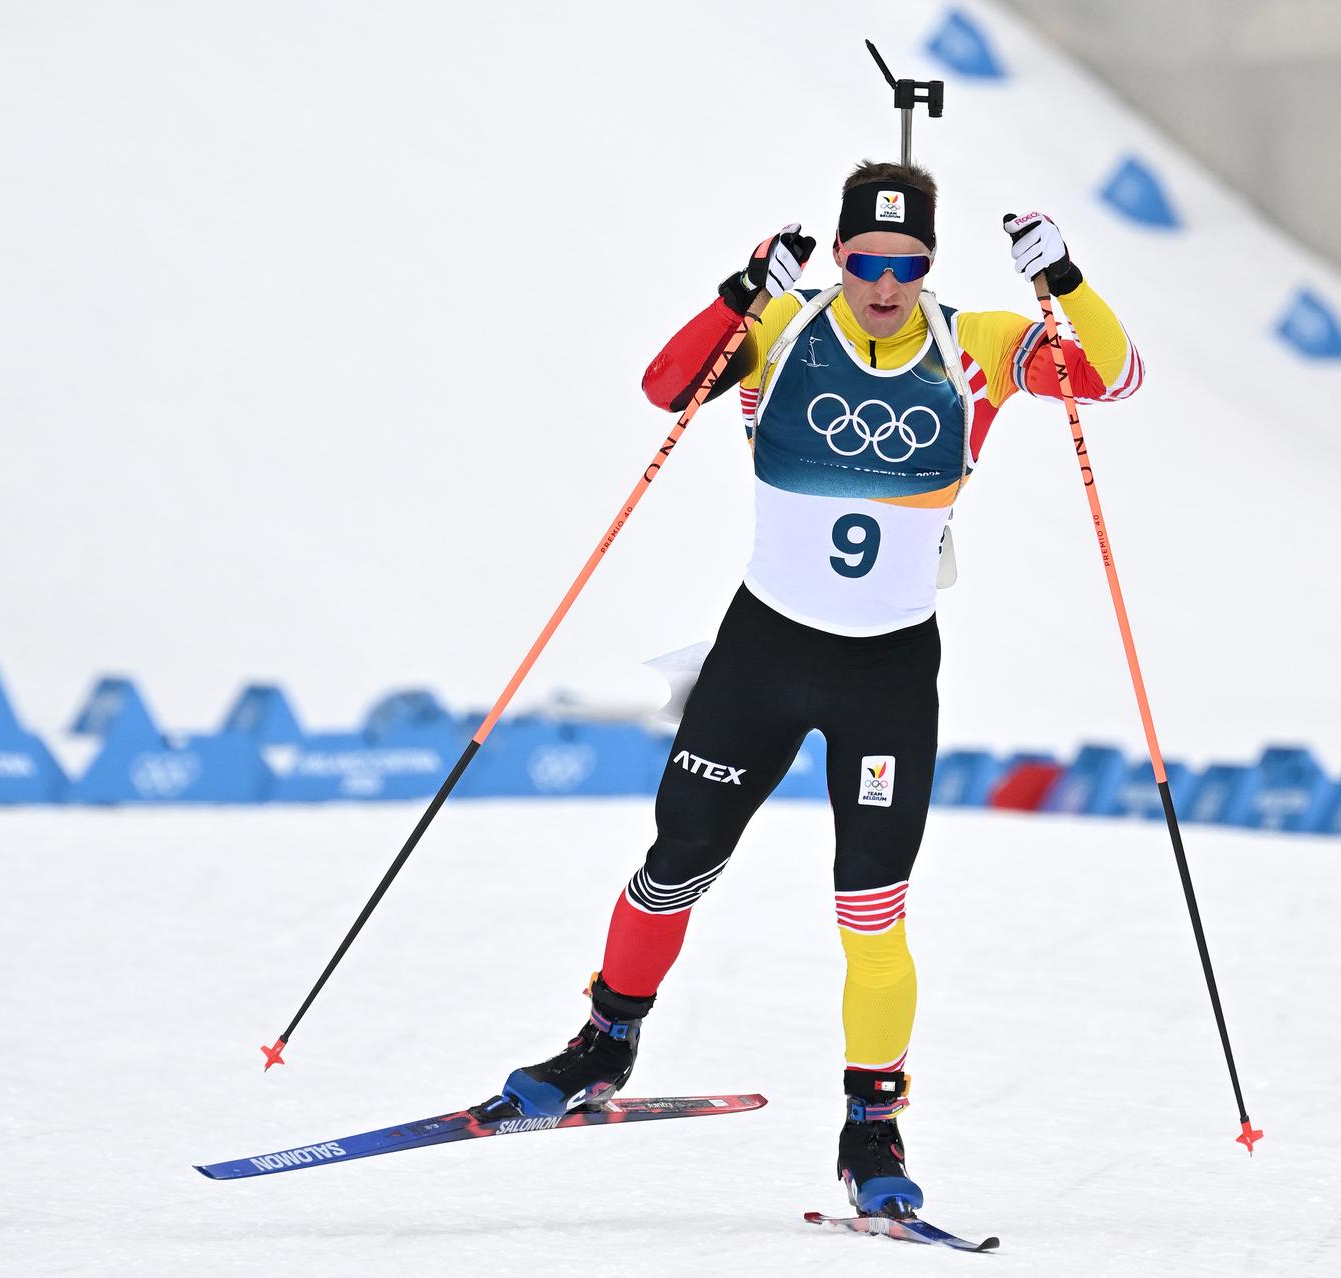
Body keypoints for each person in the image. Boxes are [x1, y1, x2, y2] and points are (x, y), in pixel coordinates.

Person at [486, 160, 1141, 1216]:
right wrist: (738, 293)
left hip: (885, 672)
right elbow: (666, 387)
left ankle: (870, 1130)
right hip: (764, 653)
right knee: (677, 860)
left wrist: (1060, 277)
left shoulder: (972, 344)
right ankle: (604, 1043)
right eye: (867, 260)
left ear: (930, 264)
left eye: (907, 262)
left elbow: (1111, 376)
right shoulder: (783, 327)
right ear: (840, 257)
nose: (886, 282)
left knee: (871, 911)